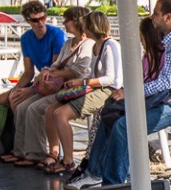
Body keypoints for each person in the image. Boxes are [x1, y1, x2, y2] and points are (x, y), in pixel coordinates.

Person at [67, 0, 171, 189]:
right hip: (166, 99)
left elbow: (165, 82)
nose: (152, 17)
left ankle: (113, 183)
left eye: (155, 13)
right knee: (111, 115)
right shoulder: (169, 40)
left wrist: (129, 93)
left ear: (168, 17)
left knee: (124, 126)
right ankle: (95, 172)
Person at [2, 6, 91, 167]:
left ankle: (38, 153)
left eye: (67, 20)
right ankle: (22, 151)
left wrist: (54, 74)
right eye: (36, 20)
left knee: (34, 108)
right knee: (21, 106)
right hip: (58, 86)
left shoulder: (87, 44)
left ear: (76, 21)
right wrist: (46, 70)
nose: (63, 23)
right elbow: (56, 64)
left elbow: (79, 72)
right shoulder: (69, 42)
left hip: (72, 88)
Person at [42, 12, 122, 176]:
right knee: (51, 110)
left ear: (92, 27)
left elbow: (111, 79)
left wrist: (82, 83)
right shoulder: (96, 45)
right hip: (95, 87)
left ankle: (68, 161)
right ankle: (55, 153)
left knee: (61, 114)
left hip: (108, 90)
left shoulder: (110, 45)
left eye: (86, 25)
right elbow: (92, 74)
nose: (83, 27)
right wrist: (79, 84)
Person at [0, 0, 66, 113]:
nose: (40, 23)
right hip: (41, 81)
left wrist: (31, 90)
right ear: (28, 21)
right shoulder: (26, 38)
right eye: (35, 20)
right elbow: (28, 72)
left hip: (57, 81)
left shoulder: (56, 34)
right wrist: (15, 90)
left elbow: (55, 69)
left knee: (20, 104)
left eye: (43, 18)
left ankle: (24, 130)